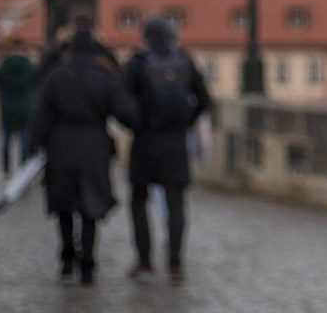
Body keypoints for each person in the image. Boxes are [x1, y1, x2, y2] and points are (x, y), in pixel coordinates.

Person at [29, 23, 134, 285]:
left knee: (63, 204)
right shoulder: (105, 77)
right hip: (94, 145)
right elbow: (126, 113)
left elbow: (40, 114)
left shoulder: (56, 77)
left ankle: (66, 258)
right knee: (91, 205)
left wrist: (34, 147)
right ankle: (87, 262)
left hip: (61, 144)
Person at [122, 16, 210, 285]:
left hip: (146, 140)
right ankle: (175, 264)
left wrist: (136, 124)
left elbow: (122, 100)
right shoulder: (185, 62)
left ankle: (144, 258)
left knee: (139, 200)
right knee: (176, 204)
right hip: (175, 142)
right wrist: (186, 121)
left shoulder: (138, 64)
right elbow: (204, 101)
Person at [0, 42, 37, 178]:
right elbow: (36, 81)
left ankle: (5, 170)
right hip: (25, 108)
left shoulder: (4, 65)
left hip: (7, 108)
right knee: (24, 140)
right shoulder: (29, 66)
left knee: (6, 140)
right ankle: (22, 168)